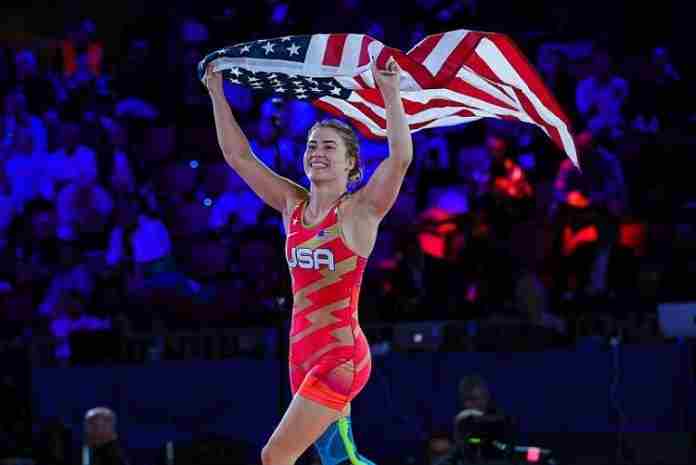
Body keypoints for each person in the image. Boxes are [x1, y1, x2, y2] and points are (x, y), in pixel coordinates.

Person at [204, 55, 413, 465]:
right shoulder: (291, 206)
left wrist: (391, 93)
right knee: (340, 461)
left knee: (275, 456)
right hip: (301, 355)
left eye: (329, 147)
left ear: (351, 163)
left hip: (340, 356)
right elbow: (239, 157)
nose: (317, 152)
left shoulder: (360, 210)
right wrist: (216, 92)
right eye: (312, 145)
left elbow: (400, 158)